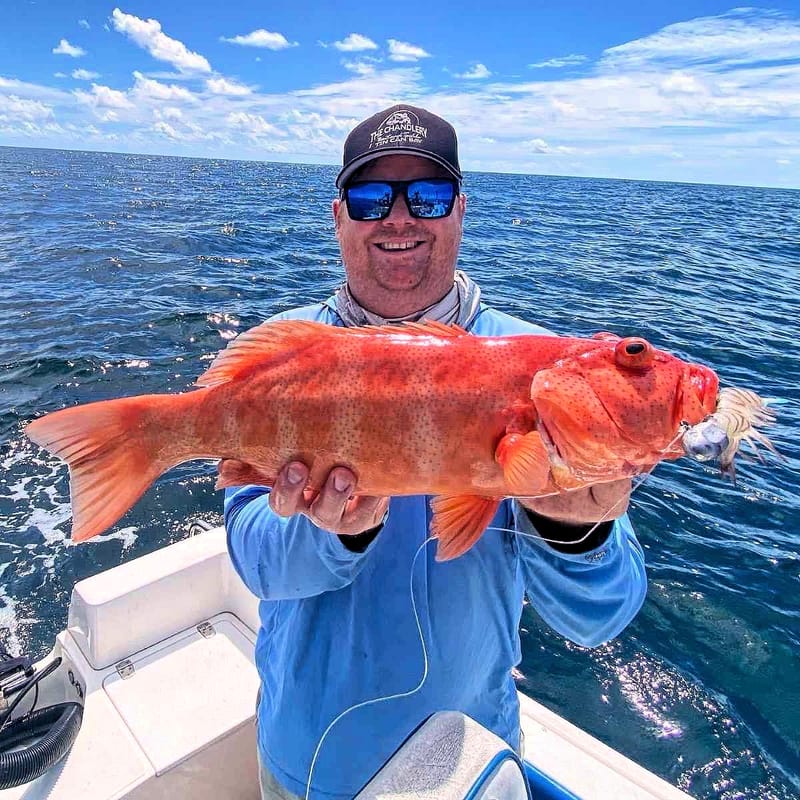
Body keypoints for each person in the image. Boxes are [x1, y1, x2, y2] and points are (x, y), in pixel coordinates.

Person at [224, 104, 646, 800]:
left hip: (470, 759)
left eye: (426, 196)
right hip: (307, 762)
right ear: (338, 218)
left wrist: (577, 530)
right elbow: (254, 560)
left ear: (459, 212)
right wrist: (337, 535)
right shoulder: (286, 354)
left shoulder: (542, 370)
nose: (398, 218)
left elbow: (598, 619)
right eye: (369, 198)